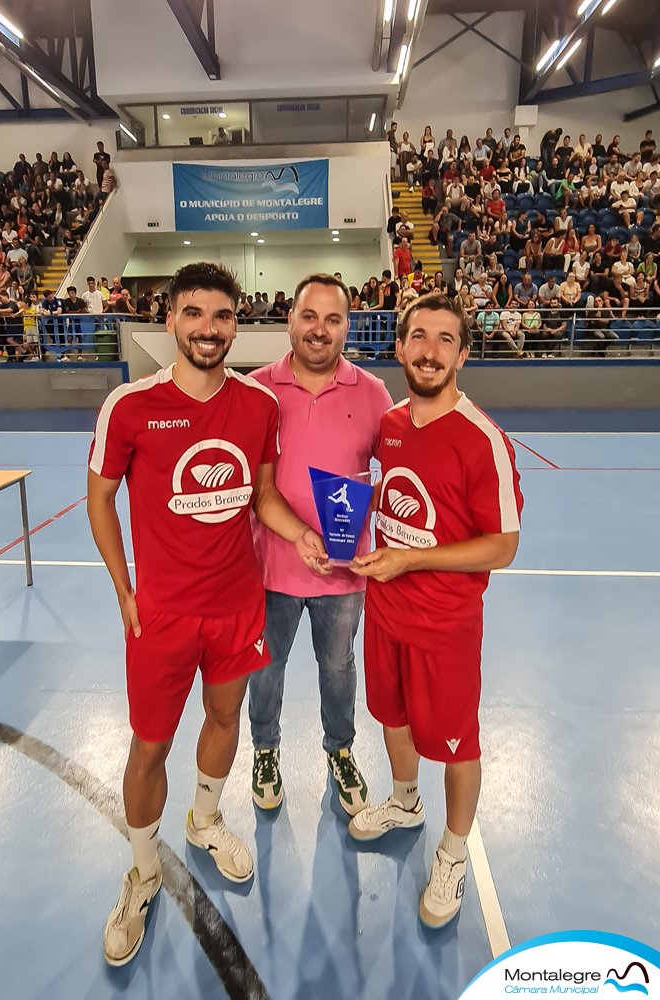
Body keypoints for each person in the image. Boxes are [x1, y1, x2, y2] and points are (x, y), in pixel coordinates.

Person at [88, 262, 327, 967]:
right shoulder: (130, 406)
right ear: (170, 320)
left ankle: (204, 818)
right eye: (193, 313)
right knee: (149, 747)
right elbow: (100, 497)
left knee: (226, 719)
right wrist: (124, 589)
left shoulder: (257, 406)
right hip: (161, 616)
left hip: (235, 606)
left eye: (221, 316)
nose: (208, 328)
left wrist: (300, 535)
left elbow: (261, 495)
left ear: (235, 326)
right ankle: (143, 871)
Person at [347, 294, 523, 930]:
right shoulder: (390, 425)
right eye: (418, 336)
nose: (429, 350)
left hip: (444, 626)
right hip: (384, 611)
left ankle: (452, 852)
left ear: (463, 354)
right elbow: (388, 497)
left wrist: (412, 561)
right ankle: (404, 802)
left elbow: (503, 546)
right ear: (399, 347)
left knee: (455, 743)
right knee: (391, 717)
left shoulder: (483, 440)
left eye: (445, 339)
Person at [247, 274, 393, 813]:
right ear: (290, 319)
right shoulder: (257, 390)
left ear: (347, 326)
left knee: (338, 668)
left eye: (333, 319)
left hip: (344, 572)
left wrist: (374, 519)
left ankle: (340, 750)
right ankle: (265, 749)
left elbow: (398, 473)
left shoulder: (373, 393)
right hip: (271, 568)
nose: (319, 329)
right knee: (266, 668)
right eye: (309, 316)